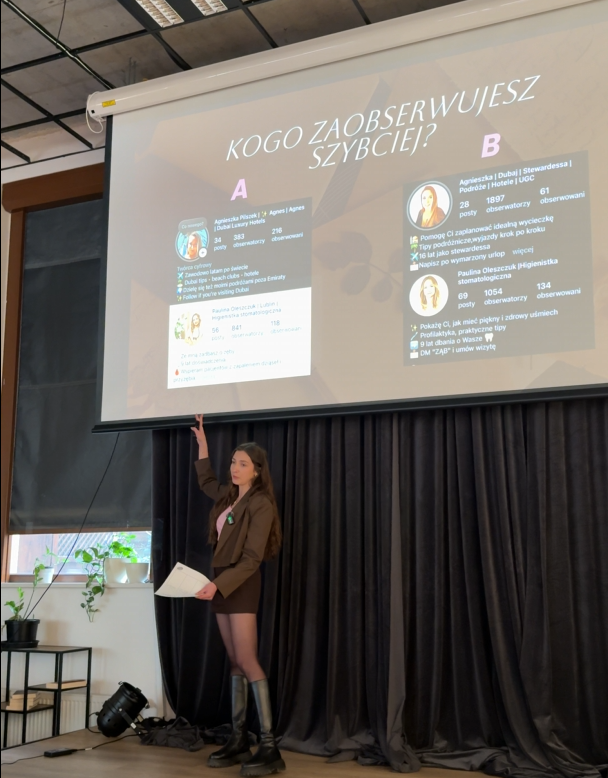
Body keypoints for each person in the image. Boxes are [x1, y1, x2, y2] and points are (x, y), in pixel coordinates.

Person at [191, 414, 285, 776]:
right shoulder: (229, 495)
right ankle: (239, 738)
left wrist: (218, 584)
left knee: (247, 659)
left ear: (257, 471)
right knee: (233, 661)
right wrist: (203, 444)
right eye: (233, 461)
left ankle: (270, 746)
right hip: (221, 582)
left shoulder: (261, 504)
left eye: (243, 463)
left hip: (240, 583)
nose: (235, 468)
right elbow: (205, 481)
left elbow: (251, 559)